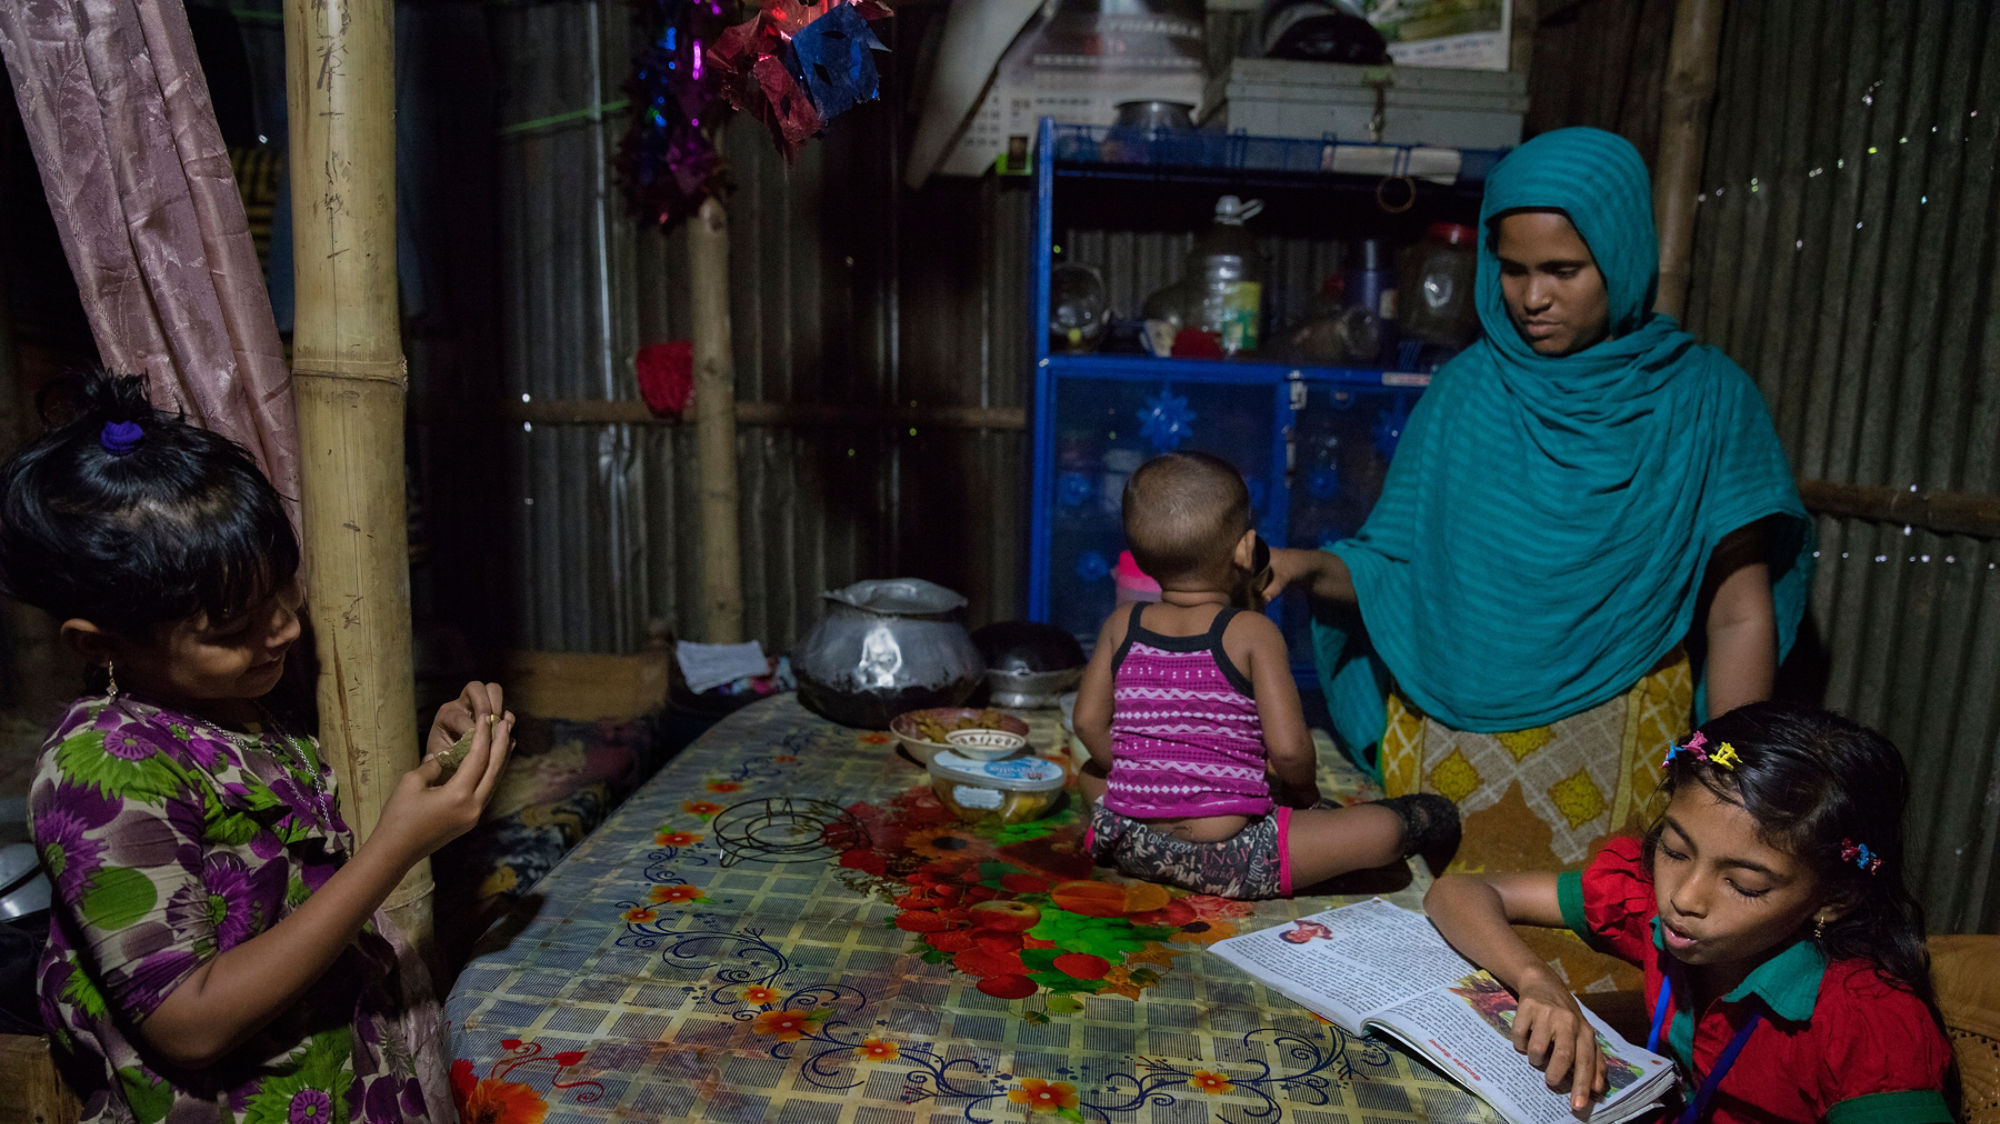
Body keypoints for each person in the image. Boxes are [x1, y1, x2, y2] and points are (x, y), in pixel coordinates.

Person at [1264, 128, 1815, 981]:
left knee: (1604, 989)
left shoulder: (1704, 401)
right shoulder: (1467, 394)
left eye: (1563, 271)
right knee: (1420, 977)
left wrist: (1727, 790)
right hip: (1449, 755)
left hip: (1616, 757)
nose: (1531, 297)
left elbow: (1740, 609)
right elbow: (1389, 570)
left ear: (1623, 257)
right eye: (1513, 269)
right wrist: (1306, 566)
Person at [0, 371, 515, 1123]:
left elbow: (297, 879)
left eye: (282, 590)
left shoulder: (236, 708)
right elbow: (190, 1023)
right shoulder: (99, 769)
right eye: (235, 626)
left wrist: (434, 763)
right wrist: (396, 849)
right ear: (101, 642)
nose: (284, 629)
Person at [1424, 702, 1951, 1122]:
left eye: (1743, 885)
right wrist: (1535, 978)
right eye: (1675, 851)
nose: (1684, 897)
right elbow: (1459, 893)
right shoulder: (1646, 901)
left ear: (1836, 897)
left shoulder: (1867, 1022)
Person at [1074, 451, 1458, 899]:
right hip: (1234, 855)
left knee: (1089, 771)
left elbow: (1086, 723)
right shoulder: (1252, 631)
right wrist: (1305, 797)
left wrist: (1141, 780)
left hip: (1130, 838)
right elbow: (1291, 750)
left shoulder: (1120, 623)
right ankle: (1429, 818)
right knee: (1385, 830)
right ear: (1245, 548)